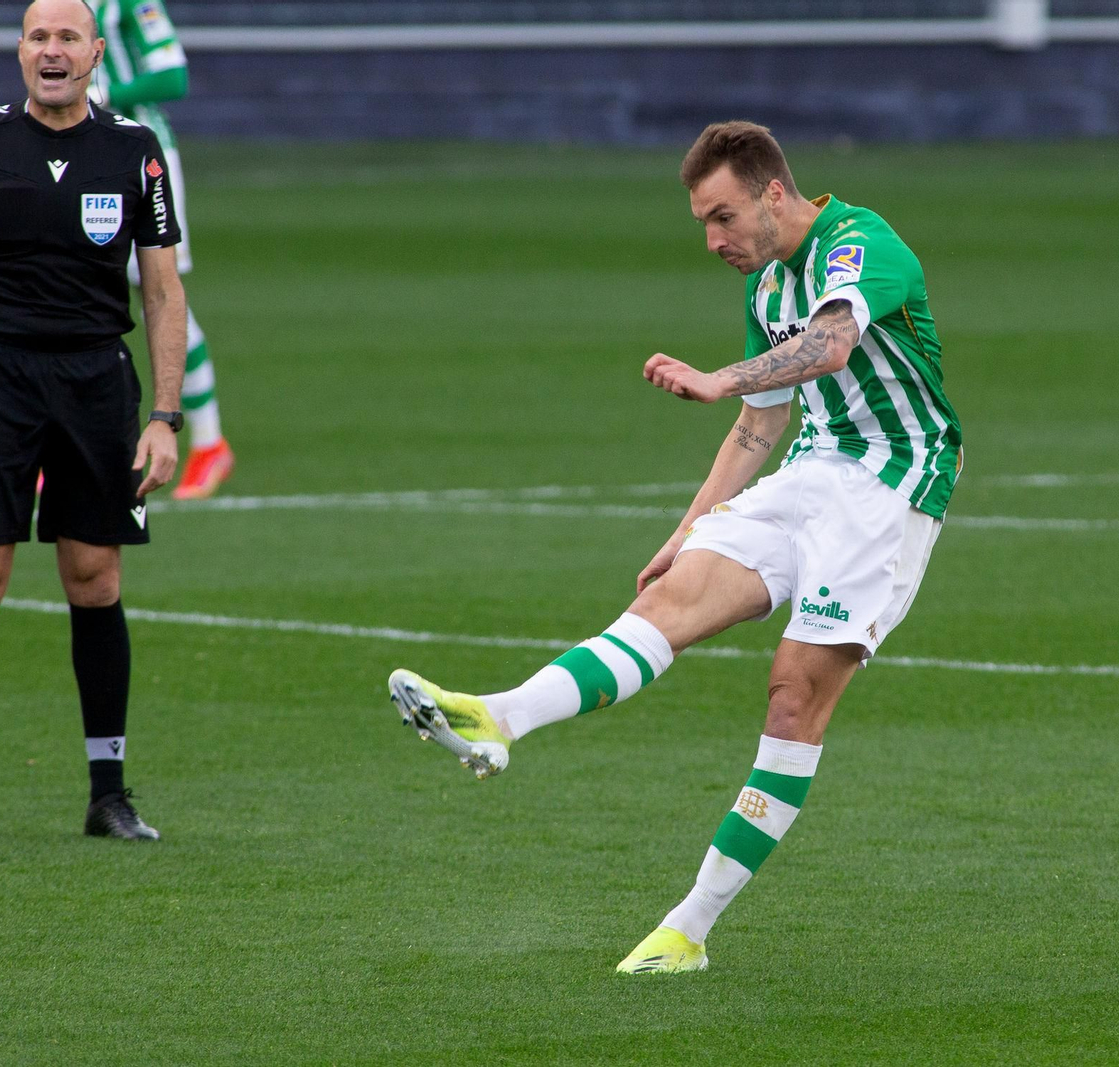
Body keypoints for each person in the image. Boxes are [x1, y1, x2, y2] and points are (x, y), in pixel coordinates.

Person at [386, 120, 962, 973]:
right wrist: (687, 529)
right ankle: (500, 717)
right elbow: (759, 424)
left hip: (889, 487)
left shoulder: (860, 241)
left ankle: (688, 928)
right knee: (665, 601)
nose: (713, 240)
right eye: (702, 222)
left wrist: (717, 374)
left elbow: (831, 341)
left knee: (791, 698)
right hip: (810, 472)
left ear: (773, 192)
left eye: (722, 216)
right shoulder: (766, 284)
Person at [0, 0, 186, 845]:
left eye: (68, 39)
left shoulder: (134, 152)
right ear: (20, 52)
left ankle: (109, 792)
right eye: (38, 38)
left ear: (96, 55)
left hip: (98, 381)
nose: (52, 52)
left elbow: (163, 291)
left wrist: (164, 416)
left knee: (95, 578)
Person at [88, 0, 234, 500]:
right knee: (65, 290)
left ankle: (210, 443)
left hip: (139, 155)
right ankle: (60, 443)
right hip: (72, 157)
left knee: (158, 292)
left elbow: (173, 76)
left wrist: (106, 95)